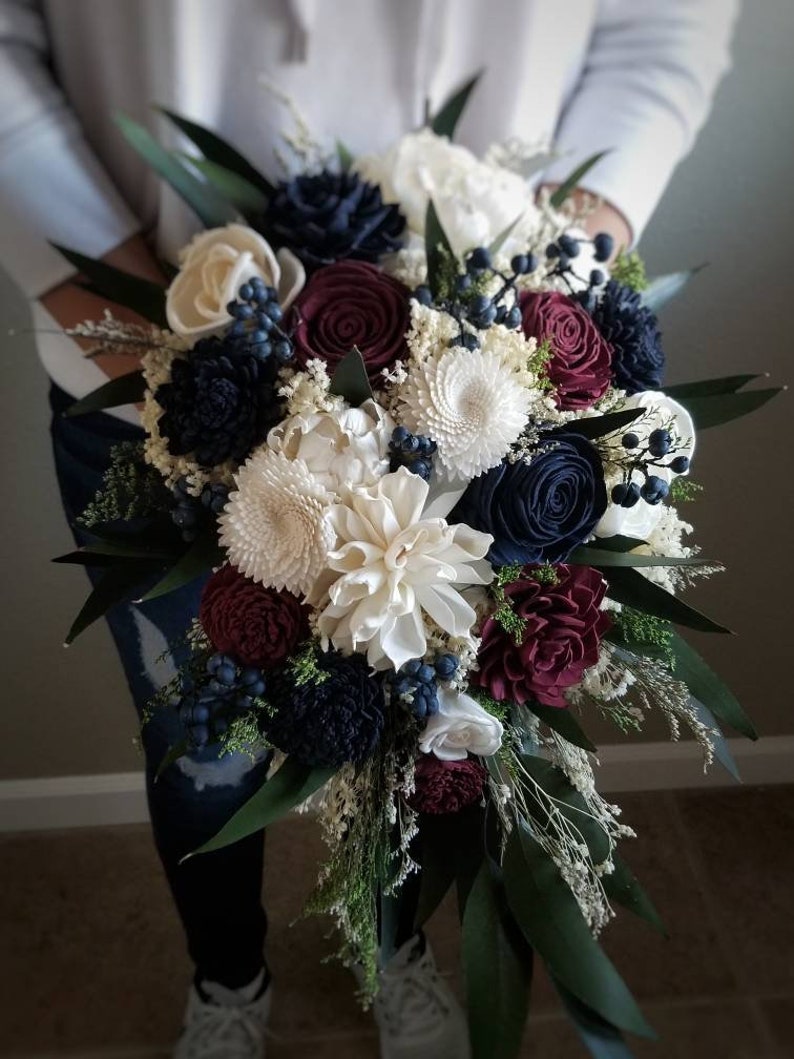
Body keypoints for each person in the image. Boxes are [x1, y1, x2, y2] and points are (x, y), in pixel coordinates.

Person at [0, 2, 739, 1056]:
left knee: (420, 730)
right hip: (140, 386)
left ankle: (396, 952)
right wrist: (150, 340)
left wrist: (538, 299)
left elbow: (662, 26)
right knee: (195, 737)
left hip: (475, 389)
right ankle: (226, 979)